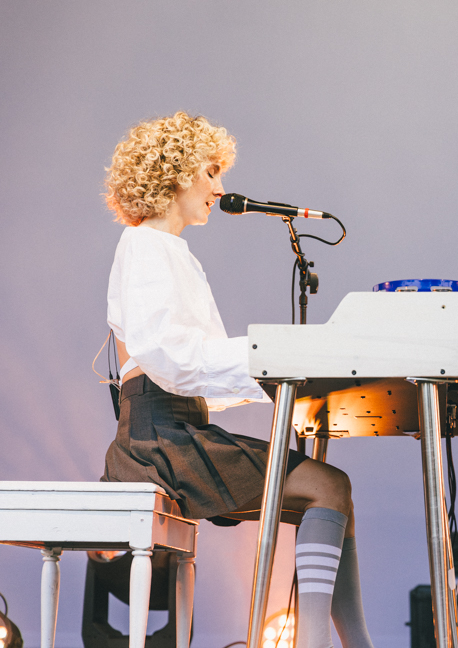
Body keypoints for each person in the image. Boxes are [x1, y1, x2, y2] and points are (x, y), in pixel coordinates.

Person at [102, 111, 374, 648]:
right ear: (177, 172)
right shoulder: (145, 246)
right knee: (329, 486)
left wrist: (280, 376)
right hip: (158, 440)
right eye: (211, 172)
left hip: (176, 426)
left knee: (333, 490)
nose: (219, 189)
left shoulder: (170, 251)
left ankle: (345, 642)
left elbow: (195, 370)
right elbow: (170, 357)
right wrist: (270, 358)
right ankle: (328, 643)